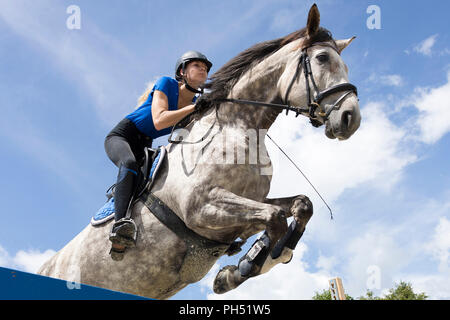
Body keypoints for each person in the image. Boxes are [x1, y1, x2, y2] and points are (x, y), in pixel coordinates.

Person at [104, 51, 212, 261]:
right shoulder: (167, 83)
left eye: (206, 68)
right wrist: (194, 108)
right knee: (129, 162)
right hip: (123, 136)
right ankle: (119, 225)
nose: (203, 70)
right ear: (182, 71)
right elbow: (160, 121)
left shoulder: (197, 102)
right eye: (197, 65)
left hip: (146, 144)